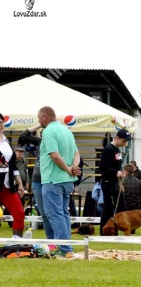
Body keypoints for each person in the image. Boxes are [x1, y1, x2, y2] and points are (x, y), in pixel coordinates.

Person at [38, 106, 81, 257]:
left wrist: (69, 169)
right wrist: (74, 167)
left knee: (55, 214)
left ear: (44, 116)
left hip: (53, 179)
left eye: (39, 118)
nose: (39, 121)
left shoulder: (49, 131)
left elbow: (54, 156)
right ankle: (66, 247)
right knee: (63, 214)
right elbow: (77, 153)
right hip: (67, 181)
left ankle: (65, 250)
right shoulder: (67, 131)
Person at [20, 124, 53, 236]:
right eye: (44, 131)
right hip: (37, 180)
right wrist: (40, 124)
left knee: (52, 212)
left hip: (51, 179)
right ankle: (52, 240)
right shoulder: (40, 141)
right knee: (44, 213)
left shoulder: (57, 141)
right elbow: (24, 135)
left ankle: (59, 239)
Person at [99, 129, 131, 235]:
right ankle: (104, 231)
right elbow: (102, 167)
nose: (125, 143)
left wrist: (120, 182)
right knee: (108, 207)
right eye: (123, 141)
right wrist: (115, 172)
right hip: (108, 182)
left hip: (115, 182)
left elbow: (117, 165)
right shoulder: (108, 149)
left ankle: (115, 229)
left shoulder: (118, 150)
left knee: (121, 206)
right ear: (117, 138)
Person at [0, 113, 26, 237]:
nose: (1, 125)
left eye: (2, 122)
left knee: (19, 213)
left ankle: (17, 244)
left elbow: (13, 166)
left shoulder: (7, 142)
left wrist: (20, 184)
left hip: (8, 185)